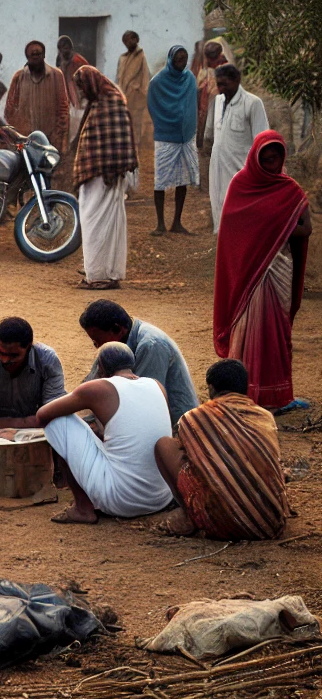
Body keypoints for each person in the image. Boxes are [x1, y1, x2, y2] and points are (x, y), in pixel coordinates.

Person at [214, 131, 312, 411]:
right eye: (265, 159)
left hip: (279, 269)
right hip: (250, 277)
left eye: (275, 159)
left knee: (278, 334)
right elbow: (233, 233)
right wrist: (272, 228)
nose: (271, 165)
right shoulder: (240, 185)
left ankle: (280, 397)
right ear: (255, 158)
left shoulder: (289, 189)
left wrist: (274, 228)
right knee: (251, 333)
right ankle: (245, 394)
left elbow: (307, 228)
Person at [36, 342, 173, 524]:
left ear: (100, 366)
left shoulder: (98, 388)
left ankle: (82, 508)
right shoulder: (156, 385)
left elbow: (42, 415)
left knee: (58, 421)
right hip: (161, 498)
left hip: (123, 501)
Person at [154, 359, 290, 540]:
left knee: (165, 445)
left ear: (211, 388)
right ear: (244, 387)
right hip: (272, 523)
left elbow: (192, 458)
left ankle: (189, 516)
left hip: (224, 525)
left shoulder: (193, 418)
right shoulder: (265, 416)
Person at [79, 300, 198, 427]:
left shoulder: (151, 345)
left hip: (177, 425)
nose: (97, 347)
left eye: (98, 341)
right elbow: (91, 384)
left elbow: (143, 399)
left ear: (118, 329)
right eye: (94, 342)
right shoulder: (116, 344)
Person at [72, 66, 139, 290]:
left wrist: (112, 168)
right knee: (94, 222)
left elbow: (120, 139)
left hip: (106, 175)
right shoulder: (99, 101)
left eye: (82, 87)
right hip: (96, 174)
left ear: (92, 82)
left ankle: (100, 276)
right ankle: (103, 272)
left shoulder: (112, 101)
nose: (81, 92)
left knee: (98, 223)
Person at [0, 317, 65, 434]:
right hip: (14, 425)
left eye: (14, 355)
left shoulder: (48, 360)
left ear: (28, 346)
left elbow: (53, 409)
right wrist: (27, 422)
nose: (5, 360)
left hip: (35, 431)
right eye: (2, 353)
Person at [204, 64, 269, 232]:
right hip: (218, 167)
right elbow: (210, 133)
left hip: (241, 170)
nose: (220, 88)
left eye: (225, 84)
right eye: (218, 84)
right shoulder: (217, 101)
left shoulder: (253, 103)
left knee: (242, 214)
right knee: (219, 206)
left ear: (237, 80)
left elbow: (263, 140)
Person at [147, 45, 198, 235]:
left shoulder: (190, 78)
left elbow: (192, 105)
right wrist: (167, 122)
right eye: (178, 58)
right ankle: (160, 223)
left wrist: (190, 127)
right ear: (171, 59)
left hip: (185, 137)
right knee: (160, 180)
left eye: (184, 58)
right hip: (166, 137)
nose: (182, 61)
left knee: (182, 179)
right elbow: (153, 107)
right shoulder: (158, 82)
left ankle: (177, 221)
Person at [4, 41, 70, 155]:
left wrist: (59, 133)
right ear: (27, 57)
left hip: (51, 138)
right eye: (32, 55)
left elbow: (63, 106)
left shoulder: (56, 75)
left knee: (50, 166)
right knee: (24, 165)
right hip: (25, 139)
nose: (35, 57)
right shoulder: (19, 77)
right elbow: (10, 107)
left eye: (38, 54)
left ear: (44, 55)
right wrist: (18, 132)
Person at [116, 30, 149, 152]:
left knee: (136, 121)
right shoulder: (123, 58)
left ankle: (136, 143)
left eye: (132, 39)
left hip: (136, 94)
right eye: (126, 40)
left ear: (137, 39)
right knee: (123, 119)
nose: (129, 42)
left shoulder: (141, 56)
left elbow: (145, 76)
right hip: (123, 94)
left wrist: (143, 92)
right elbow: (119, 76)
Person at [56, 35, 91, 143]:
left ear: (71, 48)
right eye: (61, 48)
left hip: (79, 94)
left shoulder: (78, 61)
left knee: (80, 119)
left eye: (66, 48)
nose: (64, 50)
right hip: (67, 93)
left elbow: (87, 78)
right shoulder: (60, 58)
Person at [195, 40, 228, 146]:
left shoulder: (223, 64)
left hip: (217, 96)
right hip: (209, 97)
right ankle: (207, 140)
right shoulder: (204, 70)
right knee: (208, 120)